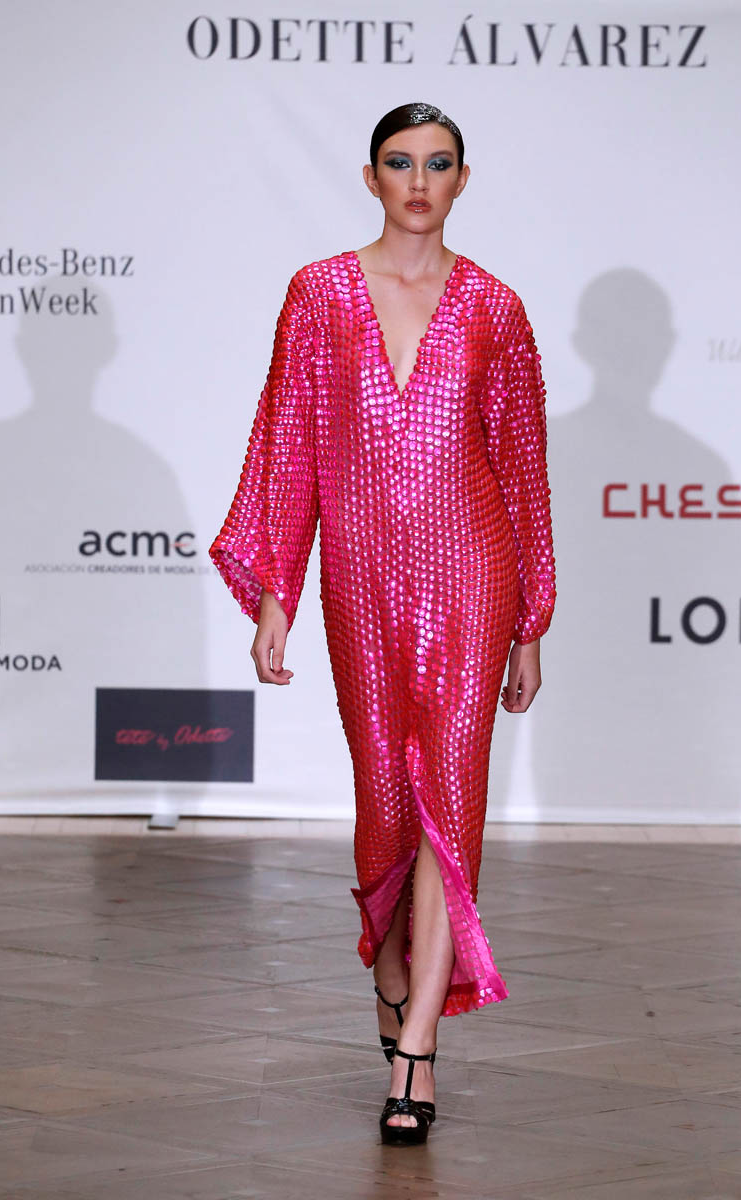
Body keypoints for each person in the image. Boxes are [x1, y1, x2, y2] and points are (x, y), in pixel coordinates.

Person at [210, 101, 556, 1145]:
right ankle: (394, 976)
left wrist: (529, 621)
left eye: (437, 164)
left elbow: (522, 469)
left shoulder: (494, 307)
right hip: (360, 577)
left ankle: (417, 1051)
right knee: (386, 810)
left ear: (462, 179)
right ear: (370, 178)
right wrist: (275, 595)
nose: (418, 181)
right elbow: (288, 442)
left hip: (473, 571)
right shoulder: (318, 293)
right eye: (400, 163)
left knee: (450, 797)